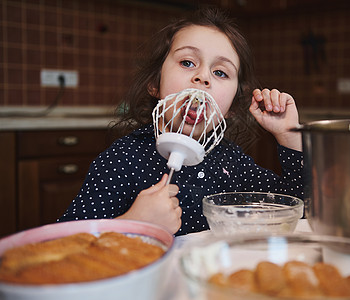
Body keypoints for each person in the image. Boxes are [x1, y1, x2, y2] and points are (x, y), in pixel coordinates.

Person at [58, 7, 303, 236]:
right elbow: (65, 248)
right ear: (155, 84)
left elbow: (302, 208)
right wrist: (133, 224)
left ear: (230, 108)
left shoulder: (232, 163)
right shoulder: (123, 160)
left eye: (220, 72)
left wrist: (289, 135)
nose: (203, 77)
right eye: (187, 62)